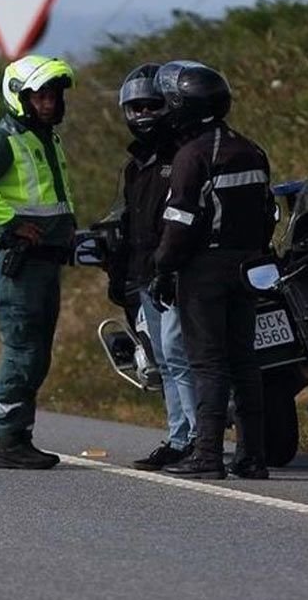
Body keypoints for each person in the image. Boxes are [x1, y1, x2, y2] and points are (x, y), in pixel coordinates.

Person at [150, 60, 276, 480]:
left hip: (204, 270)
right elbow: (268, 212)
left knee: (208, 363)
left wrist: (163, 268)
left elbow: (180, 221)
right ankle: (253, 456)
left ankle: (207, 455)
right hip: (249, 266)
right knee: (245, 360)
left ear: (181, 106)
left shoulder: (192, 155)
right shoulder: (251, 148)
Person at [0, 54, 77, 470]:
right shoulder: (4, 137)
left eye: (54, 95)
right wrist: (12, 223)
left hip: (46, 261)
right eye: (40, 96)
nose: (49, 103)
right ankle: (10, 442)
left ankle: (19, 436)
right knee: (24, 348)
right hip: (20, 262)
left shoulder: (46, 137)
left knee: (38, 351)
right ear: (19, 97)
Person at [110, 63, 199, 471]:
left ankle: (195, 439)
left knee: (181, 358)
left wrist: (170, 266)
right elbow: (131, 225)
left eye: (152, 105)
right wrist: (122, 276)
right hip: (146, 276)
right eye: (136, 108)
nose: (143, 114)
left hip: (177, 274)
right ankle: (178, 436)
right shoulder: (135, 165)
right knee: (164, 362)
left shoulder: (183, 155)